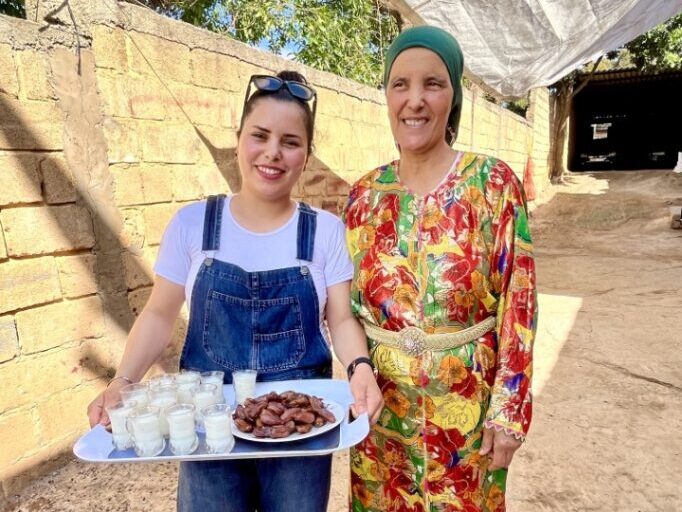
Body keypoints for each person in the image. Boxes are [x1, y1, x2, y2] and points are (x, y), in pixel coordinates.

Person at [87, 70, 383, 512]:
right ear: (239, 137)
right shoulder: (193, 225)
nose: (273, 153)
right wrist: (123, 381)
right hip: (211, 430)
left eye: (290, 141)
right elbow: (159, 313)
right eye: (259, 135)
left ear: (306, 155)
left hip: (301, 437)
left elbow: (339, 318)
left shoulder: (324, 231)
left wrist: (359, 368)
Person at [343, 26, 537, 512]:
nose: (415, 100)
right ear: (386, 96)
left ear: (453, 97)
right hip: (381, 418)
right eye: (399, 84)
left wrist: (509, 412)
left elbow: (520, 302)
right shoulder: (364, 197)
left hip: (467, 421)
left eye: (433, 84)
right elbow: (342, 306)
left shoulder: (493, 185)